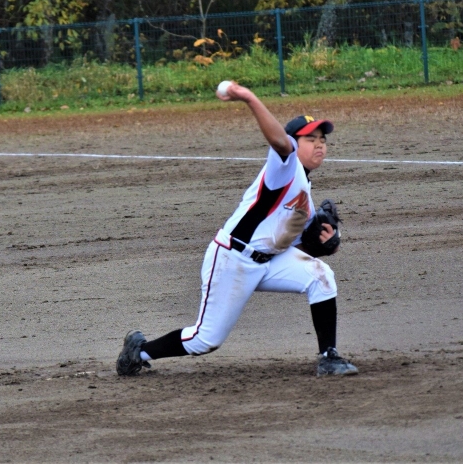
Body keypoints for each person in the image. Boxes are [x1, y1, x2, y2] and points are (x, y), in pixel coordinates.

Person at [116, 82, 358, 377]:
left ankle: (329, 356)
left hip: (267, 261)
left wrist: (331, 242)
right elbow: (280, 142)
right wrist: (248, 97)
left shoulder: (304, 194)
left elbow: (296, 243)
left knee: (320, 276)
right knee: (205, 340)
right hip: (232, 258)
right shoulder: (285, 166)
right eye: (311, 138)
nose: (320, 144)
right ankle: (139, 351)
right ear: (294, 144)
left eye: (322, 139)